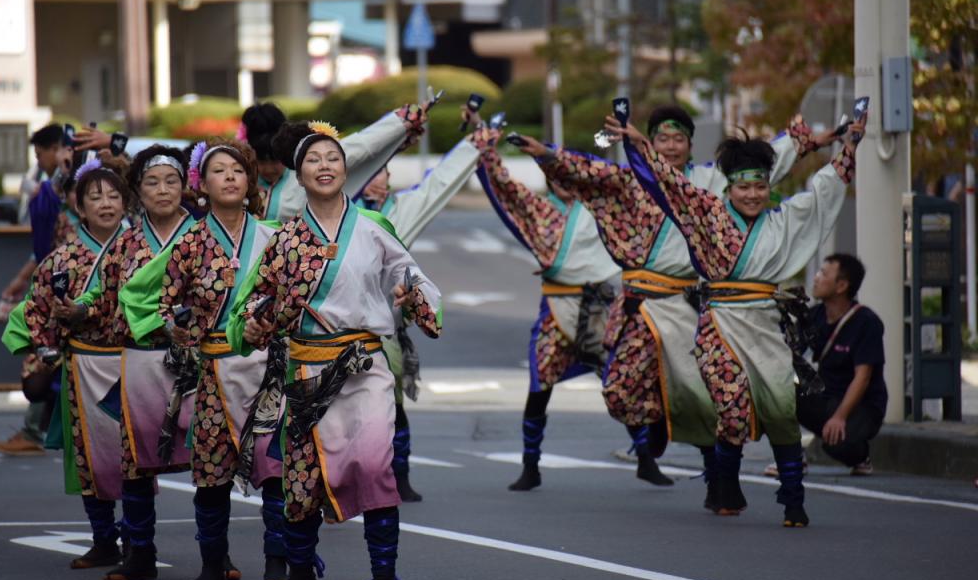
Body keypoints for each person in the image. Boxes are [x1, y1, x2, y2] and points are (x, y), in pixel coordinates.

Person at [522, 106, 840, 497]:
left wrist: (804, 141)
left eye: (679, 139)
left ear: (690, 144)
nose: (671, 146)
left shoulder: (709, 181)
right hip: (640, 305)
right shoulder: (631, 181)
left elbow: (758, 164)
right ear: (649, 142)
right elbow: (590, 173)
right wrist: (548, 154)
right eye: (662, 139)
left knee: (703, 397)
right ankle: (656, 423)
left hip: (688, 304)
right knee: (619, 394)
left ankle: (717, 481)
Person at [229, 120, 442, 580]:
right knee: (301, 480)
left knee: (374, 467)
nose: (324, 166)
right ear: (298, 174)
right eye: (313, 160)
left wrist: (410, 297)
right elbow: (254, 302)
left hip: (362, 369)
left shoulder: (373, 228)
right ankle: (302, 576)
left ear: (346, 170)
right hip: (305, 373)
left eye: (333, 158)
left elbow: (414, 279)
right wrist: (257, 323)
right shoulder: (284, 240)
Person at [619, 111, 866, 528]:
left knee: (781, 412)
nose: (753, 195)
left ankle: (793, 500)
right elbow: (670, 183)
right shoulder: (707, 213)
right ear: (728, 188)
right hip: (719, 325)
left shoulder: (784, 219)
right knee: (731, 411)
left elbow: (826, 189)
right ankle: (725, 487)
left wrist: (850, 146)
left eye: (760, 186)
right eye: (744, 187)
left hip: (765, 325)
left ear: (769, 187)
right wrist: (640, 145)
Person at [119, 139, 283, 580]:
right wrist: (176, 328)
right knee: (211, 474)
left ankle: (278, 563)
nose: (229, 177)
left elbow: (292, 298)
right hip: (211, 371)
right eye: (219, 170)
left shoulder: (274, 238)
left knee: (276, 471)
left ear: (250, 181)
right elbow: (163, 302)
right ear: (202, 185)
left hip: (266, 370)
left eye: (238, 170)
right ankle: (213, 564)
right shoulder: (189, 242)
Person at [73, 144, 200, 580]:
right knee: (136, 460)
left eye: (171, 181)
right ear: (138, 192)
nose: (163, 190)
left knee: (211, 459)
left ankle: (216, 558)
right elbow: (105, 297)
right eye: (152, 182)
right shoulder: (126, 244)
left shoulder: (204, 237)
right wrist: (79, 309)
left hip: (195, 360)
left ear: (185, 187)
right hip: (140, 360)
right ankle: (140, 551)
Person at [473, 125, 621, 491]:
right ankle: (530, 464)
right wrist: (485, 148)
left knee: (623, 381)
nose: (562, 180)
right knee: (540, 384)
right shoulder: (540, 209)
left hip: (602, 306)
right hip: (556, 305)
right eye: (554, 174)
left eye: (566, 172)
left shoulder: (604, 207)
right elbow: (505, 186)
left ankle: (646, 456)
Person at [2, 159, 131, 567]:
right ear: (79, 206)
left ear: (126, 203)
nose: (106, 204)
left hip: (133, 363)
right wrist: (44, 349)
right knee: (89, 457)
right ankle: (104, 538)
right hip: (83, 367)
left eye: (113, 196)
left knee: (137, 456)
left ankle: (138, 539)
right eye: (95, 197)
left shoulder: (142, 251)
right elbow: (36, 310)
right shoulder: (62, 258)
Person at [354, 113, 482, 502]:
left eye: (383, 169)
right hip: (332, 333)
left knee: (392, 407)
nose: (377, 176)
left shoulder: (398, 212)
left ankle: (400, 474)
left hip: (382, 330)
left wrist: (475, 144)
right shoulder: (334, 213)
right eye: (370, 169)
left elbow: (437, 185)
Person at [0, 123, 76, 456]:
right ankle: (37, 428)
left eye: (40, 154)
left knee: (48, 358)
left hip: (76, 292)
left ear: (57, 149)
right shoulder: (54, 190)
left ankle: (35, 429)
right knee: (48, 359)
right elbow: (46, 250)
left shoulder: (72, 189)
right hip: (56, 289)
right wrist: (22, 279)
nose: (39, 161)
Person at [242, 102, 429, 222]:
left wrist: (403, 121)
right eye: (262, 160)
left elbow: (363, 145)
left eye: (275, 160)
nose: (269, 168)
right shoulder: (240, 178)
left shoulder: (307, 168)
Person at [797, 253, 886, 474]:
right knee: (777, 394)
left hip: (861, 407)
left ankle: (861, 457)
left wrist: (840, 417)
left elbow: (863, 377)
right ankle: (791, 456)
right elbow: (790, 355)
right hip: (825, 398)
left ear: (841, 286)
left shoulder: (866, 322)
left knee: (837, 445)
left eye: (823, 273)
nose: (816, 278)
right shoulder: (813, 317)